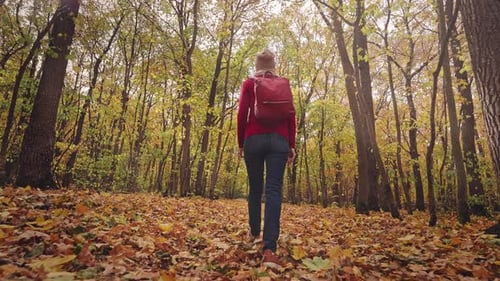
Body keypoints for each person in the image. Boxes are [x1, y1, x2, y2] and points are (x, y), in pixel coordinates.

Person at [237, 48, 297, 268]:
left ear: (257, 66)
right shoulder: (283, 84)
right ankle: (270, 246)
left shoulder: (249, 84)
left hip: (253, 140)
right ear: (273, 65)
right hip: (279, 142)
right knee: (273, 190)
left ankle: (254, 232)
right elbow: (291, 115)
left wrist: (241, 143)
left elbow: (242, 113)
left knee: (255, 187)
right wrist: (291, 144)